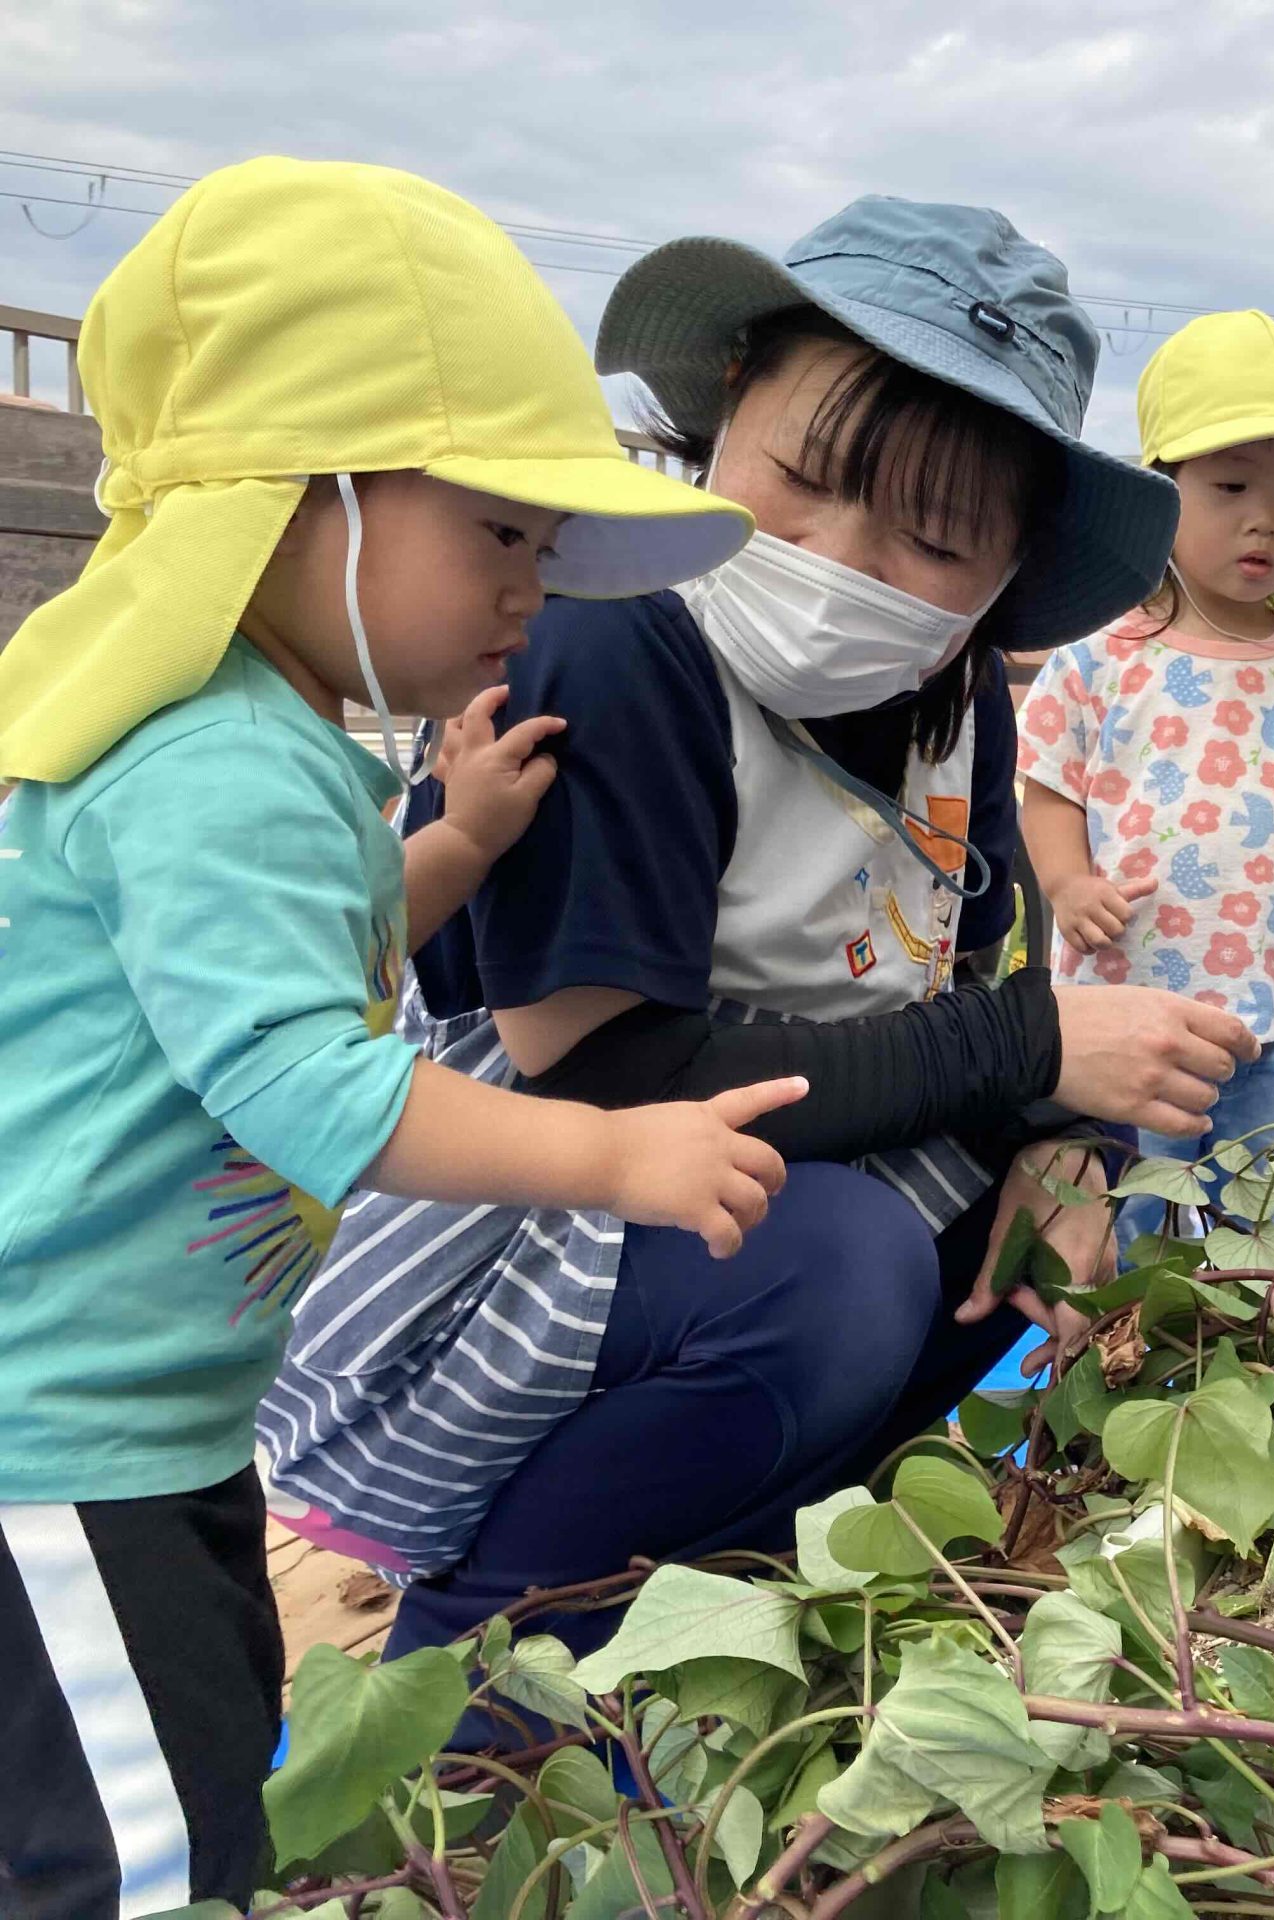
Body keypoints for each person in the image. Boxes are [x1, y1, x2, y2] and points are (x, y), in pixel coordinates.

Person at [257, 195, 1260, 1670]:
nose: (845, 561)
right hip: (512, 1207)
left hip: (734, 1183)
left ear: (1008, 572)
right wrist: (1041, 1043)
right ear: (728, 403)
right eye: (803, 480)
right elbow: (602, 1071)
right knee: (844, 1266)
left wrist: (1066, 1133)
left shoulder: (961, 699)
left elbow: (993, 968)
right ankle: (492, 1655)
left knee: (1038, 1228)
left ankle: (739, 1567)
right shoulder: (614, 637)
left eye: (929, 538)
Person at [0, 160, 800, 1920]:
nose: (534, 585)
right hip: (64, 1448)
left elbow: (280, 977)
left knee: (184, 1774)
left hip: (156, 1425)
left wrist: (449, 851)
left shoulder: (252, 735)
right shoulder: (220, 761)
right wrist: (612, 1152)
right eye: (498, 531)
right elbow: (304, 1077)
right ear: (308, 495)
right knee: (135, 1862)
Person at [1016, 310, 1274, 1225]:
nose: (1265, 519)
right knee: (1129, 1218)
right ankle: (1126, 1344)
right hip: (1125, 1003)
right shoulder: (1100, 658)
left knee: (1263, 1221)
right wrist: (1068, 884)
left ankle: (1249, 1352)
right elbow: (1049, 787)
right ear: (1158, 494)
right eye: (1230, 486)